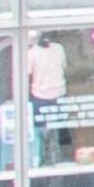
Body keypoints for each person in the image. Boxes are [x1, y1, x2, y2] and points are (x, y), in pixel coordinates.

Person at [26, 36, 68, 166]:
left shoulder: (58, 49)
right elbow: (27, 73)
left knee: (57, 131)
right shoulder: (31, 53)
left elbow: (63, 66)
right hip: (41, 96)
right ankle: (43, 158)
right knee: (42, 132)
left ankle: (57, 158)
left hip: (57, 93)